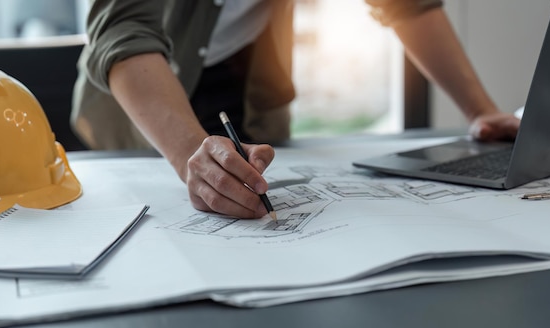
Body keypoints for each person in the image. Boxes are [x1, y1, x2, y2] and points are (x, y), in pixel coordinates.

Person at [71, 0, 520, 220]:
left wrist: (480, 112)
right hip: (147, 101)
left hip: (249, 88)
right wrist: (191, 153)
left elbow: (406, 6)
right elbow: (121, 30)